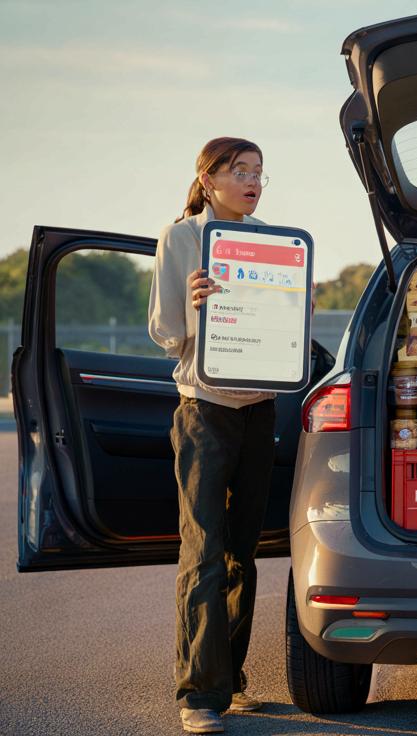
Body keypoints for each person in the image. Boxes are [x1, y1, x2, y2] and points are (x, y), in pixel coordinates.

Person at [148, 137, 275, 734]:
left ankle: (231, 679)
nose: (252, 182)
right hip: (204, 405)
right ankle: (198, 694)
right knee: (202, 550)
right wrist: (195, 305)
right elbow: (165, 331)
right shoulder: (180, 238)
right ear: (209, 179)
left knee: (242, 553)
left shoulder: (275, 242)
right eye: (240, 171)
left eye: (258, 172)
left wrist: (291, 309)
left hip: (260, 406)